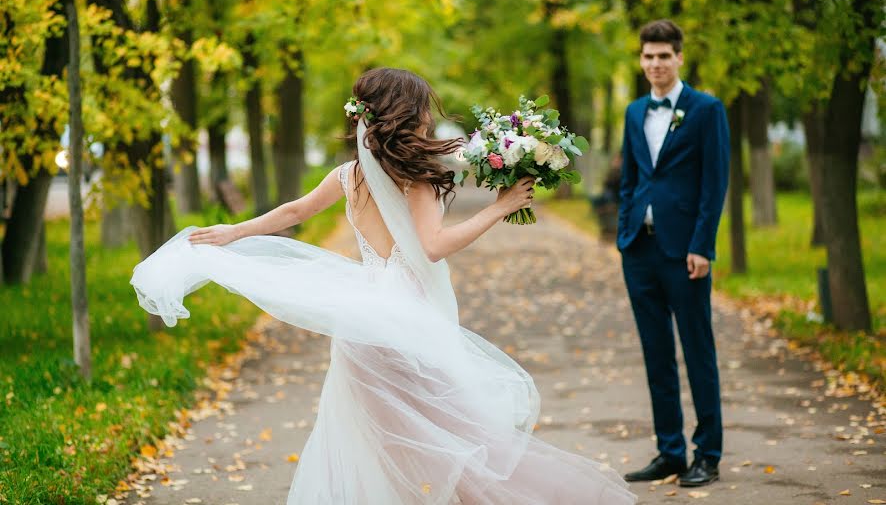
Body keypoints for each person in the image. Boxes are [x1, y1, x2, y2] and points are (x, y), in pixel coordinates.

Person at [132, 67, 637, 504]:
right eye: (422, 107)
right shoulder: (415, 178)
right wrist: (499, 208)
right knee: (456, 435)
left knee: (377, 442)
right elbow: (434, 247)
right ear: (404, 112)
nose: (427, 116)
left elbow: (294, 212)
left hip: (360, 325)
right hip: (407, 319)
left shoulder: (349, 174)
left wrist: (234, 231)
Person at [617, 21, 730, 488]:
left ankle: (708, 454)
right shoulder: (633, 111)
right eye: (649, 56)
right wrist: (624, 228)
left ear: (679, 58)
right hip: (639, 249)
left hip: (685, 253)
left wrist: (702, 245)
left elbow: (714, 182)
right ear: (641, 60)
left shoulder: (706, 110)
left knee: (697, 350)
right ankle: (670, 451)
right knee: (656, 352)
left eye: (664, 56)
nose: (656, 64)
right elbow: (630, 177)